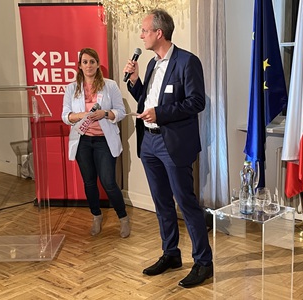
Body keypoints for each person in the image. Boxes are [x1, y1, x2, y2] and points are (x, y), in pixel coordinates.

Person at [123, 9, 213, 288]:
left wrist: (160, 114)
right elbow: (144, 100)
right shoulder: (151, 64)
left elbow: (197, 102)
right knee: (161, 203)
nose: (141, 35)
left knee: (185, 203)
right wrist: (135, 81)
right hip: (149, 142)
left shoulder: (187, 62)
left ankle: (203, 263)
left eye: (144, 30)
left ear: (158, 33)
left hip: (173, 142)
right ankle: (171, 253)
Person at [62, 48, 130, 238]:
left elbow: (121, 111)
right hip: (83, 141)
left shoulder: (110, 86)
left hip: (104, 141)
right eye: (85, 62)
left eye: (92, 61)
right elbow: (65, 116)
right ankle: (96, 216)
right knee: (89, 182)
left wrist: (105, 114)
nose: (89, 65)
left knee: (108, 182)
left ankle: (123, 218)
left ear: (98, 64)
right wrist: (81, 115)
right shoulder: (71, 88)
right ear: (79, 66)